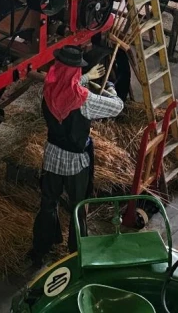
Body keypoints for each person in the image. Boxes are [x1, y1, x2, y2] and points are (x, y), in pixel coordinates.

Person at [29, 45, 123, 268]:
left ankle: (39, 250)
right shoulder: (85, 101)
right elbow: (117, 107)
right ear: (76, 71)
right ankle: (75, 253)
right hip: (75, 163)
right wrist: (110, 88)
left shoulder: (49, 87)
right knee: (77, 208)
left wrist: (86, 77)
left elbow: (66, 85)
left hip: (51, 156)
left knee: (48, 204)